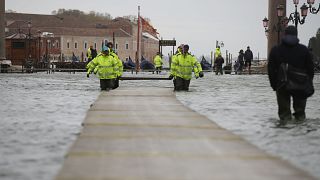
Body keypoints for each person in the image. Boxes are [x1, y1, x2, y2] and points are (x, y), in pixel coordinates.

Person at [268, 25, 314, 125]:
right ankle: (300, 138)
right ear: (296, 35)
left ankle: (285, 138)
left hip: (282, 84)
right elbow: (310, 69)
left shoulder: (276, 50)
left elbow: (271, 70)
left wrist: (274, 85)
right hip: (300, 85)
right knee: (300, 116)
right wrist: (308, 82)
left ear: (284, 35)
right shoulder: (304, 50)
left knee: (284, 116)